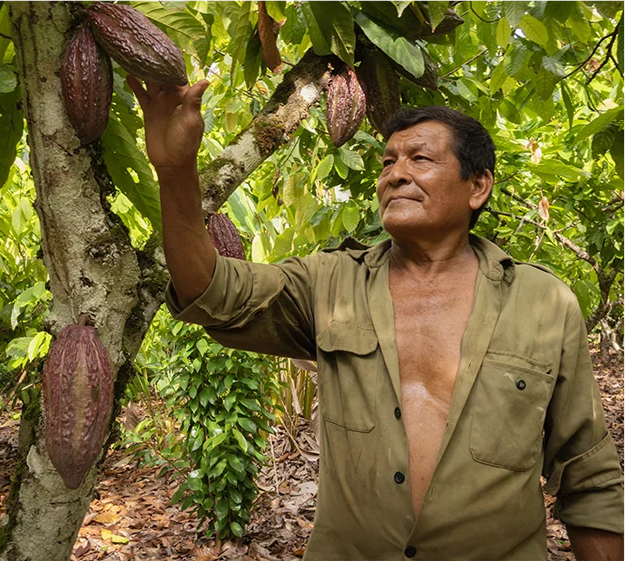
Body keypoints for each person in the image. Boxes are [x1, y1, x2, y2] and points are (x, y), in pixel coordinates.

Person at [127, 75, 625, 561]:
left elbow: (588, 474)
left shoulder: (544, 302)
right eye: (388, 163)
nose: (395, 174)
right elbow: (209, 290)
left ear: (478, 186)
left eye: (420, 159)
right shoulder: (330, 282)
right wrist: (175, 171)